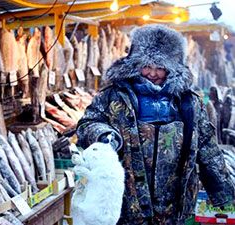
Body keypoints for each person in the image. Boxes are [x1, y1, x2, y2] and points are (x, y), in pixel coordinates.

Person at [76, 24, 235, 225]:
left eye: (160, 67)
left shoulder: (188, 103)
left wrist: (224, 196)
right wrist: (103, 134)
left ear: (173, 67)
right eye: (146, 66)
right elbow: (87, 124)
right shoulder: (114, 96)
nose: (152, 73)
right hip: (127, 203)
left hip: (174, 206)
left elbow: (207, 149)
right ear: (134, 63)